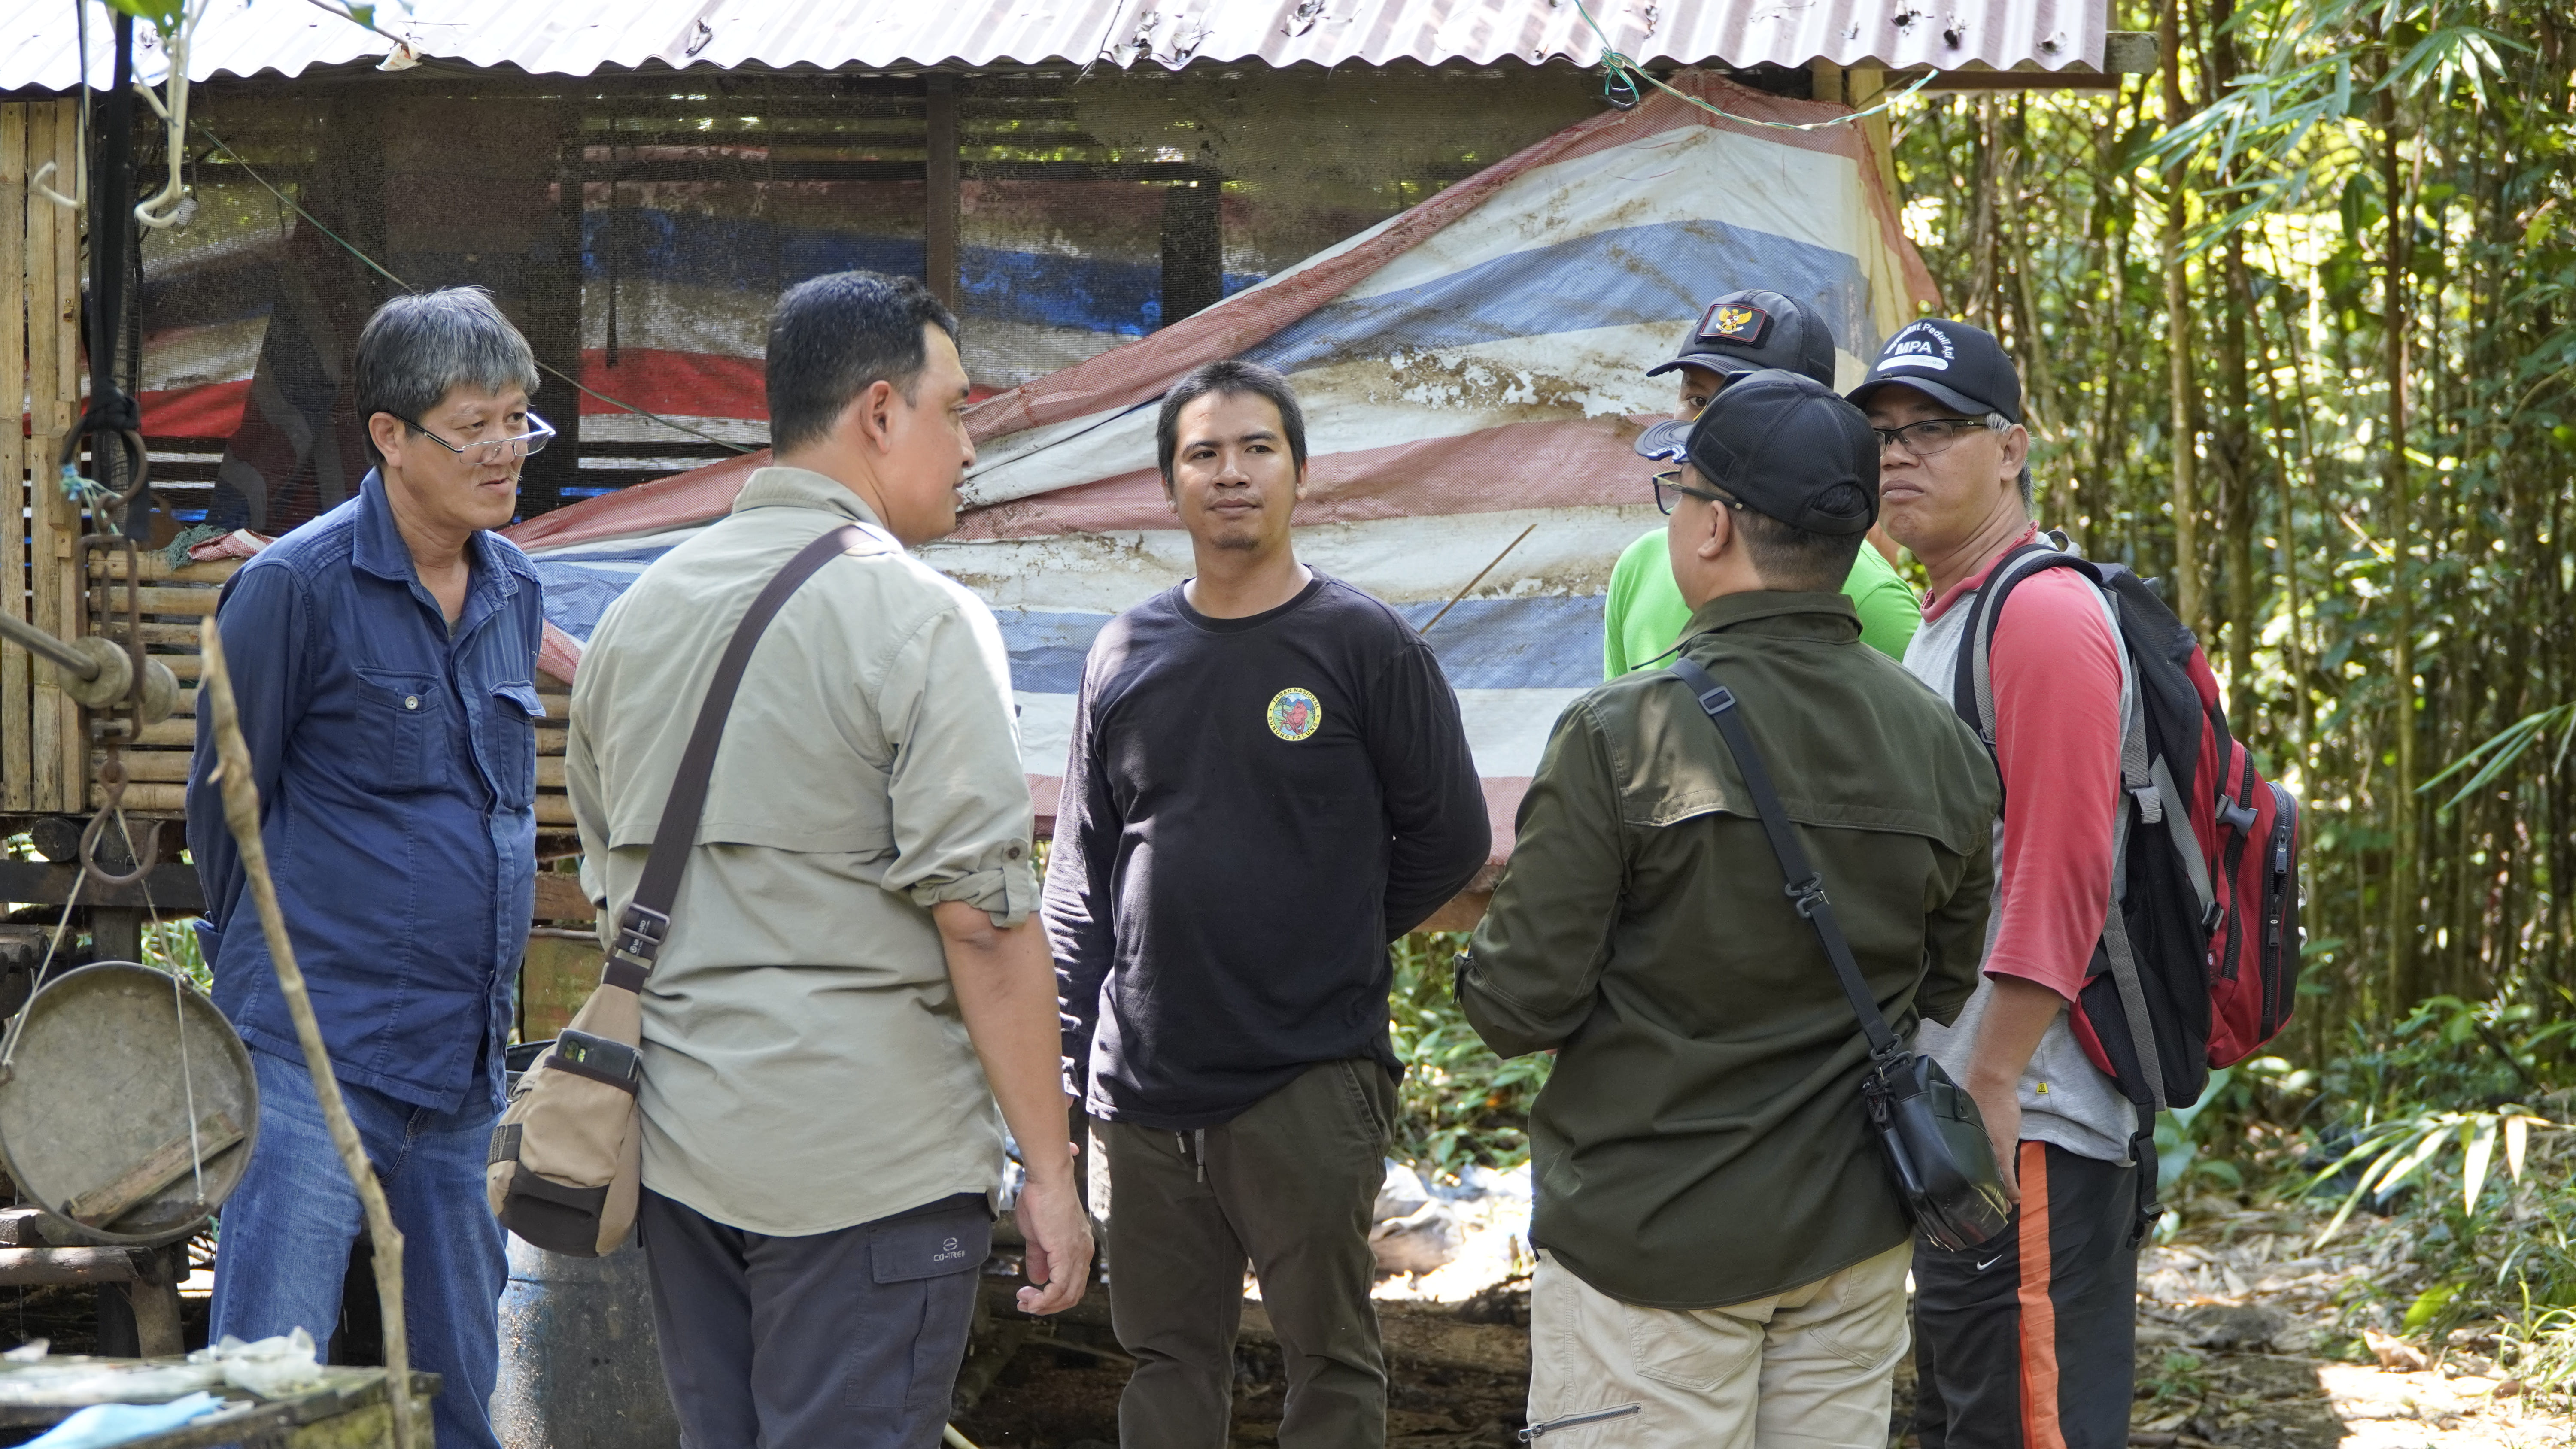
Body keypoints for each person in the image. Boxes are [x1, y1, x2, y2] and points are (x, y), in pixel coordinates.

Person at [565, 271, 1091, 1448]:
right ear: (880, 413)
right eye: (955, 410)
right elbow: (986, 926)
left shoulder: (632, 622)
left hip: (683, 1160)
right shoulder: (919, 620)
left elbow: (614, 897)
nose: (968, 448)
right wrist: (1049, 1173)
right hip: (872, 1171)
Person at [1458, 369, 1999, 1446]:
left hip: (1648, 1243)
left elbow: (1516, 1006)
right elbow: (1943, 983)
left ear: (1709, 529)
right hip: (1849, 1242)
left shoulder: (1620, 733)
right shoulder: (1944, 744)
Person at [1045, 358, 1491, 1449]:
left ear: (1300, 472)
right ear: (1170, 483)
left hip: (1307, 1076)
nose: (1231, 473)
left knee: (1330, 1364)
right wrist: (1064, 1067)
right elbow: (1083, 880)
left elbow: (1453, 840)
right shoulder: (1125, 653)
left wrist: (1327, 921)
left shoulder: (1362, 644)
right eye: (1204, 453)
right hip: (1141, 1092)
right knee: (1163, 1360)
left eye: (1256, 449)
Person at [188, 287, 550, 1449]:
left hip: (459, 1074)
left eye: (518, 422)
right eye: (475, 426)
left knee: (450, 1391)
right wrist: (270, 1004)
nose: (505, 453)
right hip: (310, 1064)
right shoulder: (294, 586)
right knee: (272, 1392)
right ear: (390, 437)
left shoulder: (514, 590)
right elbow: (222, 812)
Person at [1852, 318, 2142, 1449]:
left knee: (2029, 1423)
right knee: (1974, 1418)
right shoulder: (1944, 614)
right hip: (1968, 1115)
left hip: (2028, 1118)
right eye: (1880, 435)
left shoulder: (2043, 616)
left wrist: (1997, 1070)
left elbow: (2068, 863)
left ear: (2012, 447)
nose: (1899, 457)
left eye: (1933, 429)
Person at [1601, 288, 1919, 677]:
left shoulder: (1867, 592)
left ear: (1810, 416)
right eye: (1698, 401)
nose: (1708, 429)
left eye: (1740, 403)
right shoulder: (1640, 566)